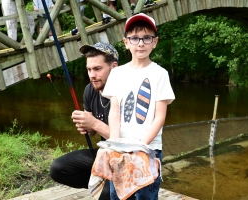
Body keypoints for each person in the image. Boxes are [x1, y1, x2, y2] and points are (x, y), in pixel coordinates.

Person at [102, 13, 175, 199]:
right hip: (121, 149)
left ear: (155, 42)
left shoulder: (160, 74)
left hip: (149, 150)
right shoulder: (117, 73)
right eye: (134, 38)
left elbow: (159, 117)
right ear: (126, 42)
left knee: (146, 196)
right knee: (117, 194)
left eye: (146, 38)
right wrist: (115, 145)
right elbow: (115, 112)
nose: (140, 43)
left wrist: (141, 146)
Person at [50, 42, 119, 200]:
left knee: (107, 195)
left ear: (114, 67)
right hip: (104, 154)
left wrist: (93, 123)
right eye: (89, 69)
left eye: (97, 69)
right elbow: (92, 130)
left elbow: (129, 142)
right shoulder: (90, 89)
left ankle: (116, 191)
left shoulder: (128, 93)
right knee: (58, 168)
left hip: (129, 159)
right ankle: (105, 187)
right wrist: (86, 125)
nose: (92, 75)